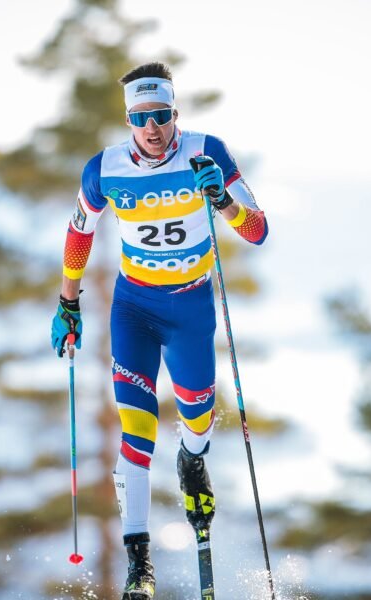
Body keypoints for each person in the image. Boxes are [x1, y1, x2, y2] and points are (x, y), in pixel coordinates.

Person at [50, 61, 269, 599]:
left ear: (176, 113)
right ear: (129, 121)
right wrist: (68, 303)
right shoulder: (104, 169)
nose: (152, 127)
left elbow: (258, 230)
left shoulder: (207, 150)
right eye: (141, 117)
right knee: (137, 430)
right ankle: (138, 562)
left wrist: (222, 201)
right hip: (134, 309)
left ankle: (192, 459)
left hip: (190, 308)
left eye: (162, 114)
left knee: (198, 418)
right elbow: (79, 233)